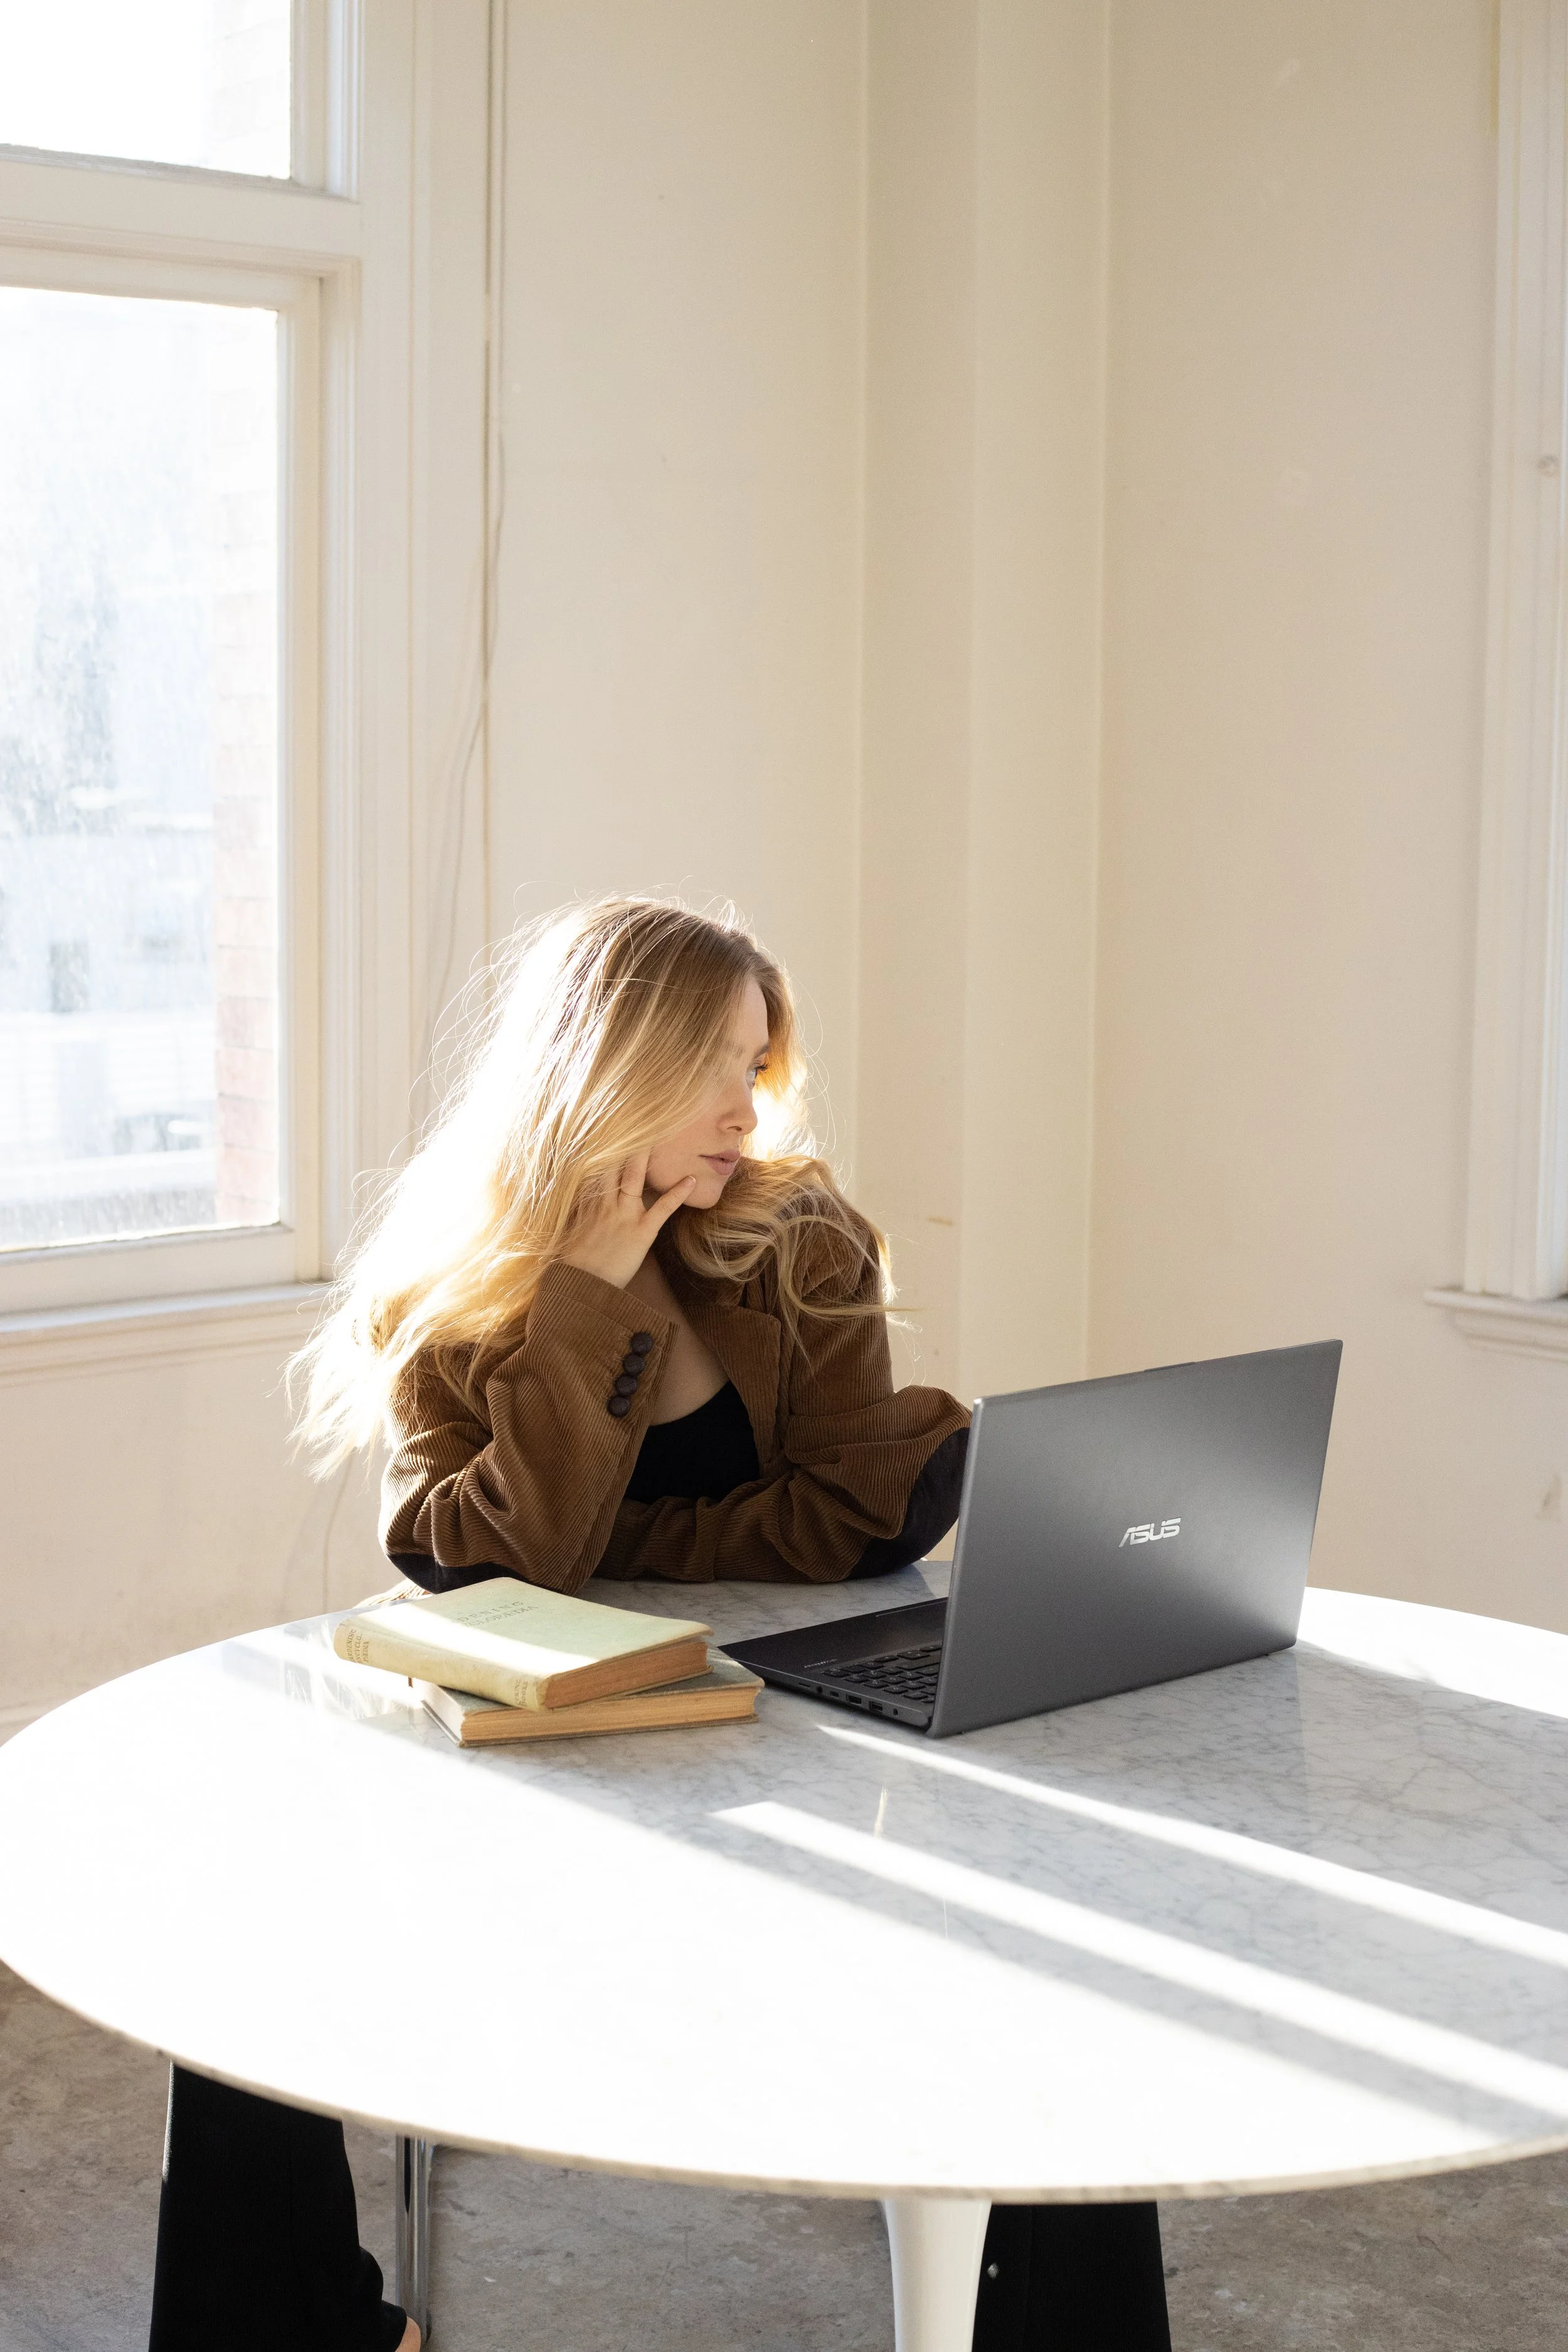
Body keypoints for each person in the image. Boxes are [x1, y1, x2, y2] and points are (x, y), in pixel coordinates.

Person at [149, 897, 1168, 2351]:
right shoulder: (466, 1289)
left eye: (758, 1070)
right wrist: (585, 1297)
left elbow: (848, 1521)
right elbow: (479, 1567)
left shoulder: (795, 1237)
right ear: (608, 1065)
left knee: (1060, 1930)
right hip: (535, 1757)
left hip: (793, 1742)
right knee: (242, 1928)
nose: (743, 1113)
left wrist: (613, 1538)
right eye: (713, 1070)